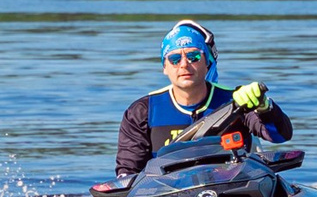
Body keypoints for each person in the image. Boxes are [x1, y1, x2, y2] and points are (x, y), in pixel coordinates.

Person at [115, 19, 291, 176]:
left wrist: (264, 107)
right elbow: (129, 171)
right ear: (165, 67)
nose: (184, 64)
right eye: (175, 59)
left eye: (194, 56)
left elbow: (280, 136)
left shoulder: (236, 101)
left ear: (207, 62)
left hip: (232, 192)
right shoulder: (142, 112)